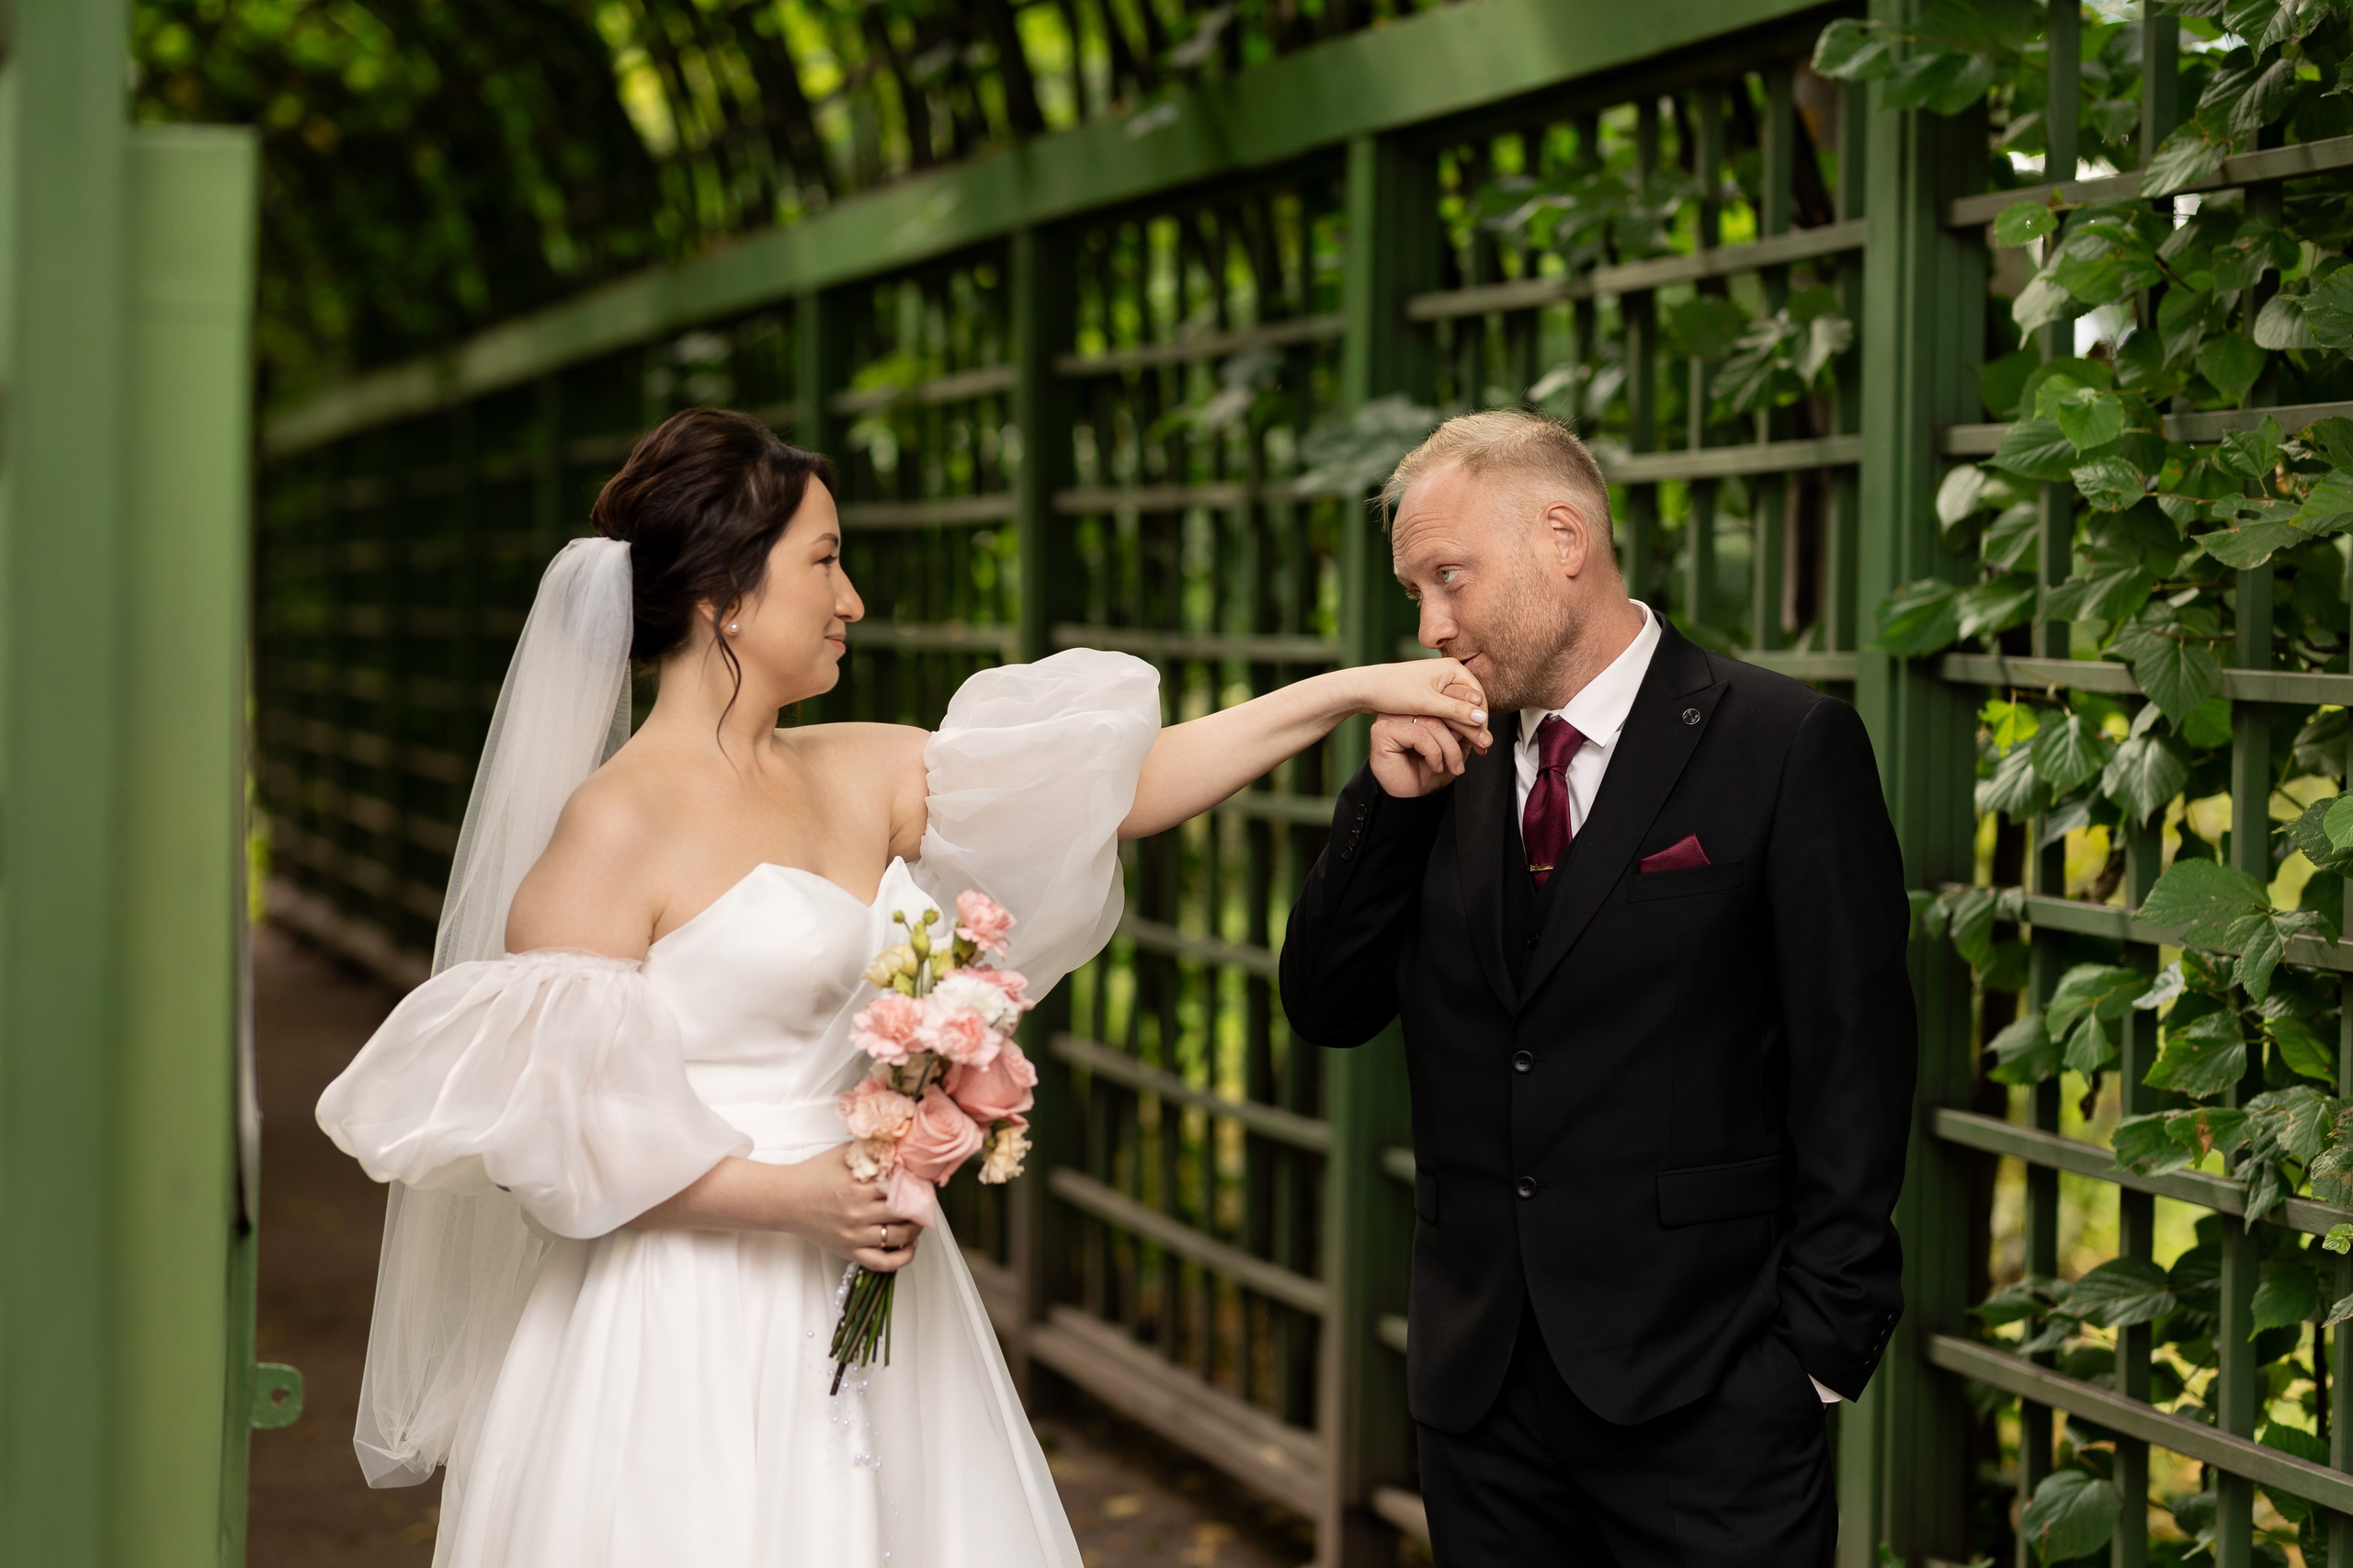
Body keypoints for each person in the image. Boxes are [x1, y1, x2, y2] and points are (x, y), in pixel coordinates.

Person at [313, 406, 1488, 1568]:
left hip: (879, 1294)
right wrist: (797, 1198)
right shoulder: (611, 829)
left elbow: (1124, 784)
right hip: (680, 1322)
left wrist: (1343, 693)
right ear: (725, 591)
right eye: (823, 561)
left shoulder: (858, 765)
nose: (851, 598)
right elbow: (559, 1136)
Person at [1278, 410, 1916, 1566]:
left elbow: (1855, 1061)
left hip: (1712, 1396)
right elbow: (1326, 1005)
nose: (1429, 625)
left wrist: (1812, 1359)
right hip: (1481, 1400)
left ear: (1562, 535)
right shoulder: (1445, 759)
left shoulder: (1784, 743)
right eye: (1415, 589)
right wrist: (1383, 810)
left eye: (1449, 578)